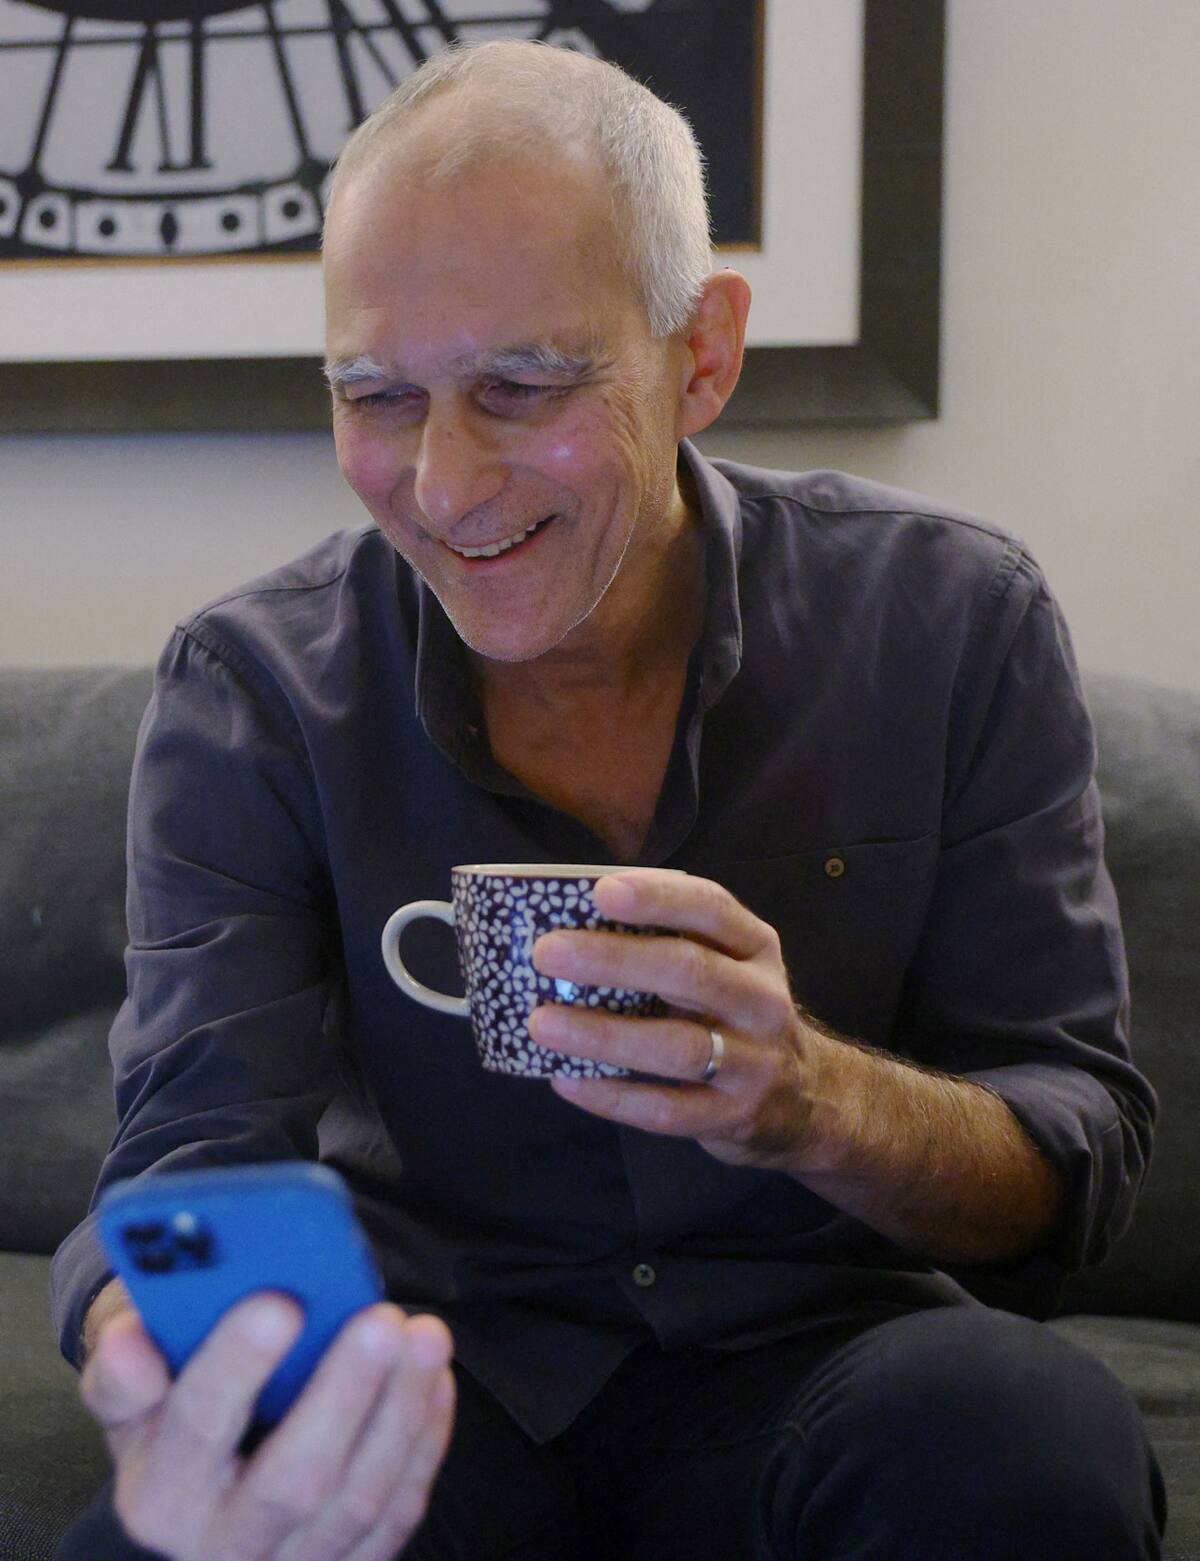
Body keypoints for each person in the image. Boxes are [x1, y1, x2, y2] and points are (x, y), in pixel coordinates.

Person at [53, 38, 1165, 1561]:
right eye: (376, 396)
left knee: (1013, 1433)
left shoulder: (953, 623)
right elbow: (188, 1153)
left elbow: (1070, 1169)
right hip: (440, 1373)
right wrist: (155, 1332)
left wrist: (811, 1102)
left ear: (700, 354)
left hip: (825, 1365)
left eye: (520, 386)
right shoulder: (255, 692)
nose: (443, 486)